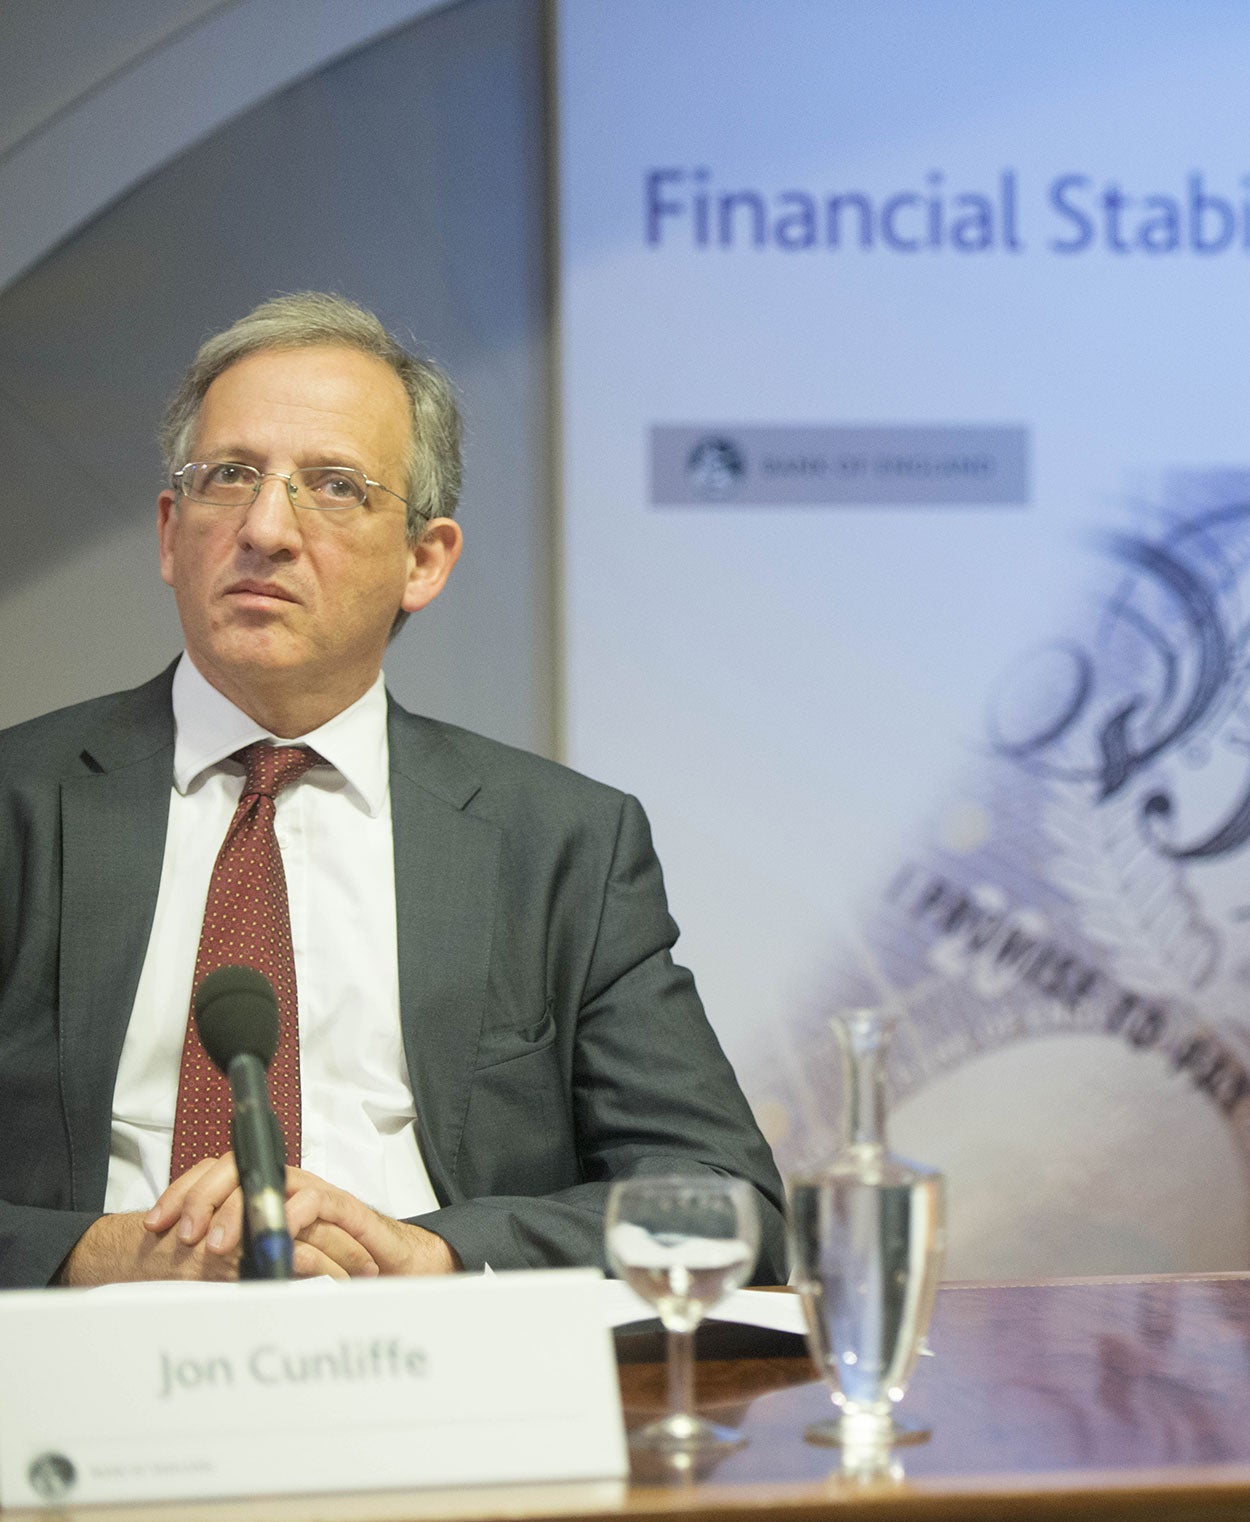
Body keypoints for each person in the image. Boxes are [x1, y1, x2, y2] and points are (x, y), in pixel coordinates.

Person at [0, 293, 786, 1286]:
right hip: (81, 1396)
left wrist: (439, 1254)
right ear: (169, 533)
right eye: (229, 477)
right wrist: (90, 1255)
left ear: (424, 559)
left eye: (333, 486)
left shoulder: (559, 846)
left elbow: (725, 1201)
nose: (265, 528)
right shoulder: (19, 810)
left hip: (440, 1393)